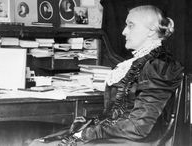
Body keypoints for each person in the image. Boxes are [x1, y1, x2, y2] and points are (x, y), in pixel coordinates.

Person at [29, 5, 184, 146]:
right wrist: (83, 131)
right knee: (40, 142)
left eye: (131, 26)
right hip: (119, 135)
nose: (124, 32)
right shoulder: (138, 62)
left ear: (151, 30)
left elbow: (138, 127)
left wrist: (86, 134)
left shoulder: (159, 65)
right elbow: (114, 115)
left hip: (137, 140)